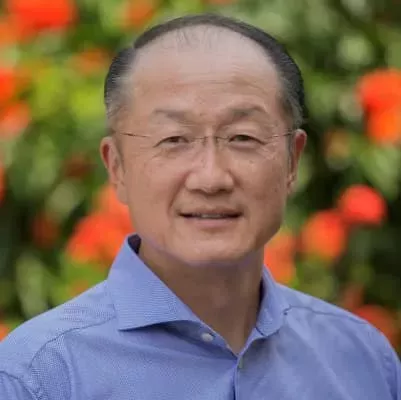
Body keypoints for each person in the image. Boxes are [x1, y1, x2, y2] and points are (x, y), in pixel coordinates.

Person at [0, 13, 400, 400]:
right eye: (174, 139)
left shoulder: (363, 360)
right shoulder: (38, 377)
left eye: (243, 137)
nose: (211, 177)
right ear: (117, 167)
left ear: (292, 162)